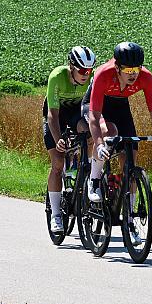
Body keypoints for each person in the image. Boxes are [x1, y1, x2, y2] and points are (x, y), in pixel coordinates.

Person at [81, 41, 152, 245]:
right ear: (117, 67)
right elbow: (94, 117)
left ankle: (128, 221)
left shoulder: (145, 77)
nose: (133, 74)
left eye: (136, 69)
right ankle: (94, 180)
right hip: (96, 106)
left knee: (130, 157)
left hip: (121, 106)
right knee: (108, 131)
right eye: (128, 70)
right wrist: (100, 143)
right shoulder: (104, 74)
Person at [43, 46, 96, 233]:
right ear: (71, 66)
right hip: (56, 116)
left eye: (89, 71)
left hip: (75, 114)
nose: (85, 74)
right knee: (58, 164)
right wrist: (58, 140)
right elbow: (52, 114)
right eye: (82, 70)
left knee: (89, 132)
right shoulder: (57, 76)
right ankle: (56, 215)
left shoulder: (91, 78)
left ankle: (88, 169)